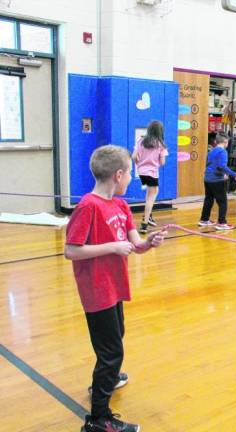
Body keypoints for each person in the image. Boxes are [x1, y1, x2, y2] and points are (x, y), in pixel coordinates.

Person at [65, 145, 166, 432]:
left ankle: (106, 377)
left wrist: (150, 243)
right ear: (118, 175)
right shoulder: (88, 206)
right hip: (96, 290)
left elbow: (135, 245)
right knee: (111, 352)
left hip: (115, 286)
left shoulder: (121, 206)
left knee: (115, 339)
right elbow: (71, 251)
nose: (132, 179)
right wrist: (112, 247)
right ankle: (98, 420)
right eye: (130, 174)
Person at [199, 134, 236, 229]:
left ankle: (204, 219)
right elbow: (222, 165)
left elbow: (213, 165)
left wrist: (224, 173)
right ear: (225, 142)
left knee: (209, 199)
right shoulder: (223, 152)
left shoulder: (211, 151)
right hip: (217, 180)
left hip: (208, 179)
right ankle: (222, 223)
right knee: (222, 202)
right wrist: (234, 174)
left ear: (216, 142)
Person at [132, 120, 168, 234]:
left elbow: (133, 156)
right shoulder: (160, 144)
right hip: (152, 173)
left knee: (150, 193)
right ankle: (144, 224)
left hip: (142, 172)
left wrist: (139, 164)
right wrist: (156, 160)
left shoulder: (141, 141)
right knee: (151, 197)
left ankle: (149, 216)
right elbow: (162, 162)